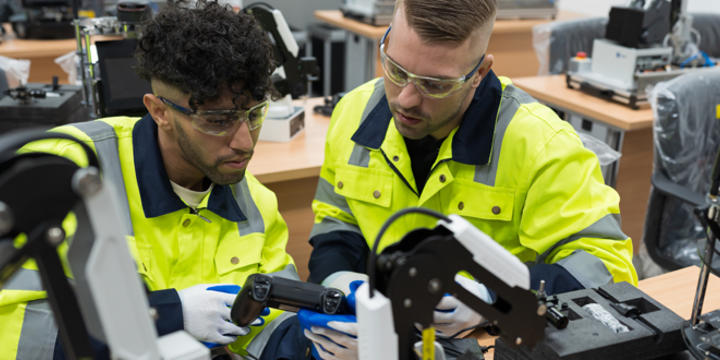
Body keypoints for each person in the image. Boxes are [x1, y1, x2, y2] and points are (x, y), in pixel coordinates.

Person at [302, 0, 638, 358]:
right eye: (396, 70)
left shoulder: (542, 145)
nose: (406, 99)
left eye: (435, 84)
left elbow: (608, 270)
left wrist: (492, 298)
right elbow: (337, 222)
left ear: (479, 73)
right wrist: (338, 282)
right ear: (385, 40)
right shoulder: (352, 113)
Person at [0, 1, 305, 358]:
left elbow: (274, 324)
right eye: (218, 120)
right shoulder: (65, 171)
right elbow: (17, 328)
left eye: (254, 114)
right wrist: (166, 315)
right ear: (159, 110)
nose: (244, 142)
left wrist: (319, 341)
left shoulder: (256, 203)